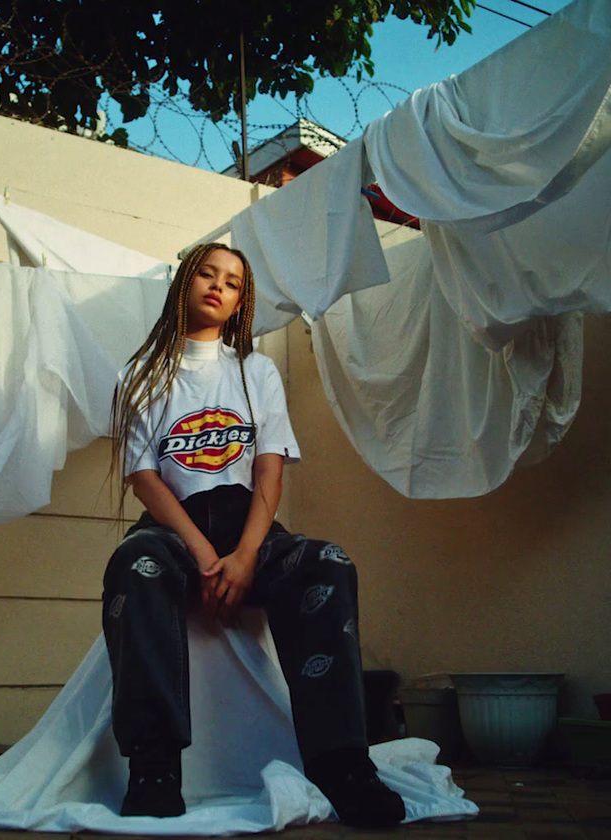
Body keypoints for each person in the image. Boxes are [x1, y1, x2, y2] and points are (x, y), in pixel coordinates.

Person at [101, 242, 406, 826]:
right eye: (207, 274)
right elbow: (144, 477)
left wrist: (244, 556)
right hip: (174, 529)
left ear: (242, 301)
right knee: (134, 565)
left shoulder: (255, 370)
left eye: (234, 282)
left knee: (329, 560)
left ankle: (344, 764)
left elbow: (268, 467)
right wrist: (200, 550)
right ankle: (154, 766)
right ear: (184, 283)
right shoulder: (139, 374)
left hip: (251, 527)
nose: (219, 286)